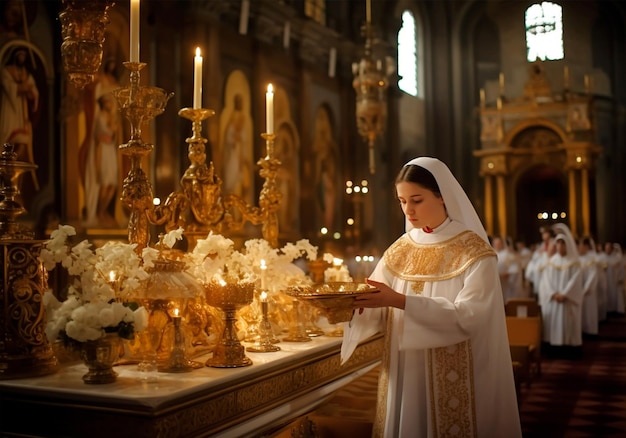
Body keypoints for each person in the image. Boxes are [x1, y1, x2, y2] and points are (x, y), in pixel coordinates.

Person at [341, 157, 521, 437]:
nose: (408, 210)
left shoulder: (474, 252)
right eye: (402, 201)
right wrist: (348, 304)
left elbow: (470, 315)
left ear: (442, 197)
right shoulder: (401, 248)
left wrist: (400, 301)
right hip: (405, 369)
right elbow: (376, 300)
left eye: (417, 200)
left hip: (458, 371)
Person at [538, 229, 584, 357]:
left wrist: (565, 294)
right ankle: (554, 348)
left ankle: (569, 349)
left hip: (567, 300)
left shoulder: (574, 262)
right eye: (557, 244)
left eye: (562, 243)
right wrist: (553, 293)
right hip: (554, 299)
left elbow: (575, 280)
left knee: (568, 325)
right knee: (554, 324)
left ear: (567, 245)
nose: (559, 246)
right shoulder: (552, 262)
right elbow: (546, 280)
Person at [0, 45, 39, 189]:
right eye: (19, 55)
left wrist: (30, 92)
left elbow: (34, 92)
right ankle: (7, 175)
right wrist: (22, 88)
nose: (22, 58)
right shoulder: (6, 71)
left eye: (24, 55)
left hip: (22, 114)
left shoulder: (25, 73)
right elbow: (9, 88)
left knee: (22, 143)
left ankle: (12, 176)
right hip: (10, 111)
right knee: (6, 141)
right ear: (14, 56)